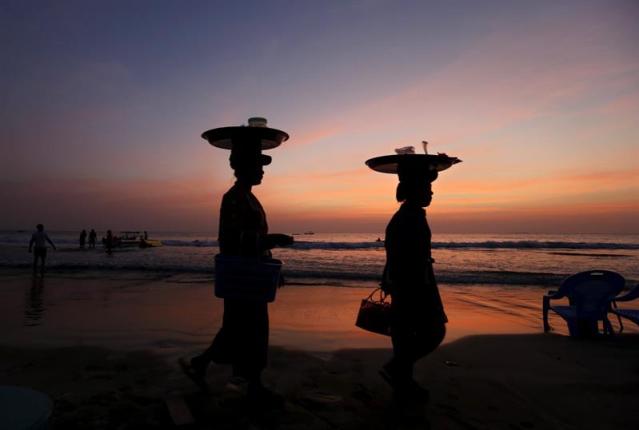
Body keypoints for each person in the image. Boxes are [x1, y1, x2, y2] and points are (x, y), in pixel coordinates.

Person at [181, 118, 293, 405]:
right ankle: (252, 384)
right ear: (242, 167)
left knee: (237, 329)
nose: (262, 172)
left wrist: (270, 263)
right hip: (241, 277)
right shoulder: (233, 198)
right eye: (258, 166)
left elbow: (249, 240)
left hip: (250, 277)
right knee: (249, 330)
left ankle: (202, 365)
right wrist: (270, 241)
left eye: (263, 166)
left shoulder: (248, 198)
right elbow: (232, 241)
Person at [365, 146, 461, 399]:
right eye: (427, 190)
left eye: (430, 189)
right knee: (431, 331)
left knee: (407, 335)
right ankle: (397, 372)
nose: (431, 194)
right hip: (413, 285)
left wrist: (433, 169)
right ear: (413, 191)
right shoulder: (409, 217)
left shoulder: (410, 214)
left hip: (407, 283)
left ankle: (402, 382)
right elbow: (403, 256)